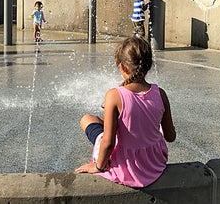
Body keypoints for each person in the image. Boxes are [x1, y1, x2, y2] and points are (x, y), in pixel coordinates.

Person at [75, 37, 176, 188]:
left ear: (123, 67)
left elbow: (108, 143)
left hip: (126, 167)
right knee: (103, 120)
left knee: (87, 119)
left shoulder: (114, 95)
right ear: (148, 65)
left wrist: (98, 166)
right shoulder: (160, 93)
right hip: (154, 163)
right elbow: (170, 136)